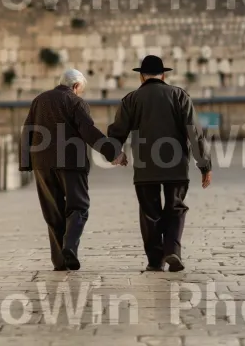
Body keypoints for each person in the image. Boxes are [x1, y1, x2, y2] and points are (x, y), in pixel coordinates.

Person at [108, 55, 212, 272]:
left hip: (145, 167)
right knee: (175, 208)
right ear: (163, 75)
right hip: (177, 166)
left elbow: (117, 132)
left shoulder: (131, 100)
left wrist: (116, 154)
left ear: (141, 77)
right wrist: (205, 166)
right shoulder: (179, 96)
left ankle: (155, 261)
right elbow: (195, 134)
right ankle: (172, 249)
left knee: (149, 212)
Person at [19, 69, 127, 271]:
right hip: (71, 162)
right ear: (76, 86)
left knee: (53, 212)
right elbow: (88, 131)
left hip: (42, 164)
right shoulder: (75, 102)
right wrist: (114, 153)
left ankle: (60, 261)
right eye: (81, 90)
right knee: (79, 206)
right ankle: (69, 246)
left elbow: (27, 130)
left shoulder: (39, 100)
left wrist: (26, 163)